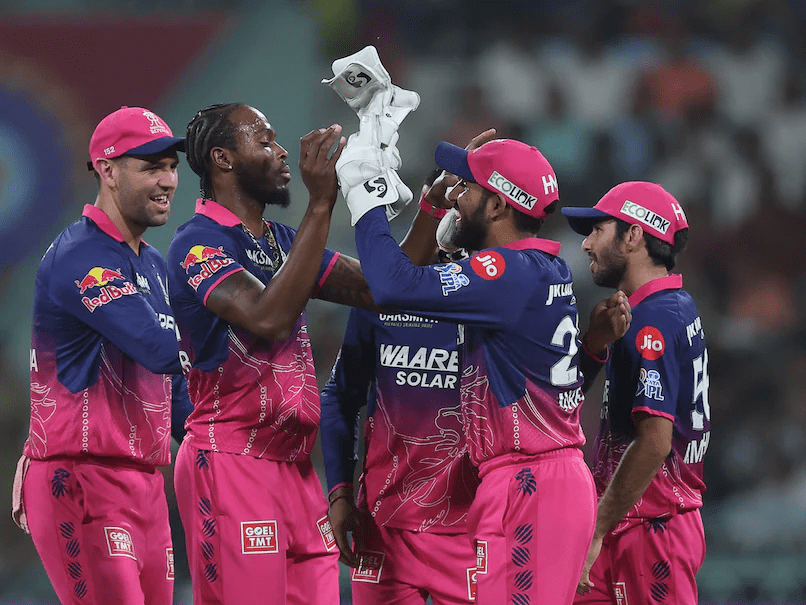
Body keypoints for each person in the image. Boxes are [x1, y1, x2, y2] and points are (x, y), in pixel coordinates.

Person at [167, 103, 451, 605]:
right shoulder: (197, 244)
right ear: (223, 159)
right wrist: (321, 203)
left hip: (296, 469)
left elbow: (385, 290)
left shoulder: (282, 242)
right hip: (231, 461)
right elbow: (268, 317)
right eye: (264, 141)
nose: (281, 152)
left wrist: (432, 203)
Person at [344, 137, 630, 604]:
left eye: (467, 187)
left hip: (532, 482)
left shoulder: (507, 271)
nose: (455, 196)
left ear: (497, 204)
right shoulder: (538, 268)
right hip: (526, 479)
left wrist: (365, 198)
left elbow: (394, 287)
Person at [15, 106, 191, 605]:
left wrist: (221, 451)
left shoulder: (153, 264)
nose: (168, 181)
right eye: (151, 167)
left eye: (171, 167)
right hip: (80, 480)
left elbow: (175, 390)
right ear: (108, 170)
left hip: (146, 486)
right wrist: (249, 322)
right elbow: (159, 349)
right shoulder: (80, 255)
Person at [321, 168, 480, 604]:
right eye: (444, 199)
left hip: (471, 527)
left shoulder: (491, 296)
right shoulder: (381, 296)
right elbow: (341, 396)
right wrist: (340, 491)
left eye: (463, 197)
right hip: (383, 526)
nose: (453, 210)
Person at [562, 181, 709, 604]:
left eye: (598, 230)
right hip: (631, 517)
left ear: (633, 235)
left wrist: (597, 529)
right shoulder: (671, 305)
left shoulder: (652, 322)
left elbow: (654, 443)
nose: (587, 244)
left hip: (652, 526)